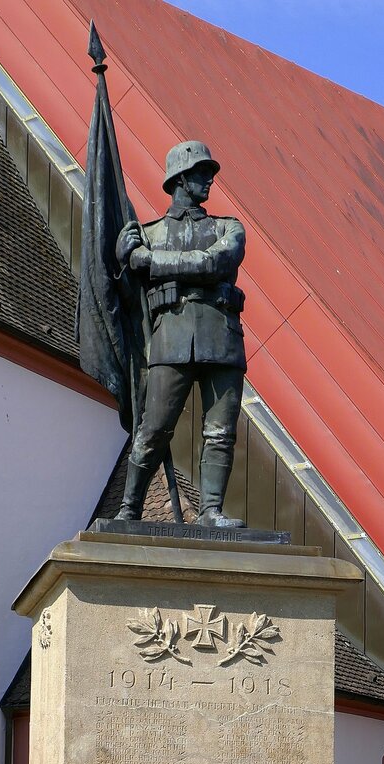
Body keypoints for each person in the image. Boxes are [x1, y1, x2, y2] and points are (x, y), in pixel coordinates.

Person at [114, 141, 246, 527]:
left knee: (220, 431)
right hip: (170, 340)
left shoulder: (228, 227)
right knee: (153, 429)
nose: (209, 181)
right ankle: (128, 509)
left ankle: (210, 511)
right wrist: (122, 257)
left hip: (221, 338)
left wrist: (149, 261)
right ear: (181, 179)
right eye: (202, 173)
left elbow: (216, 262)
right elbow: (124, 298)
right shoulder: (146, 233)